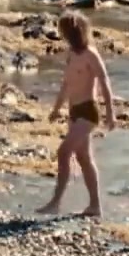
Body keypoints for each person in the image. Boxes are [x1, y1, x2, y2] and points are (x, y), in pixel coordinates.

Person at [36, 13, 116, 218]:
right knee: (84, 158)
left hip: (88, 111)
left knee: (63, 153)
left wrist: (110, 113)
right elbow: (66, 84)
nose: (63, 36)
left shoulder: (91, 54)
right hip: (74, 112)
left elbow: (104, 81)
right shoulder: (71, 54)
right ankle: (95, 206)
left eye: (65, 32)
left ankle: (55, 203)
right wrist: (56, 109)